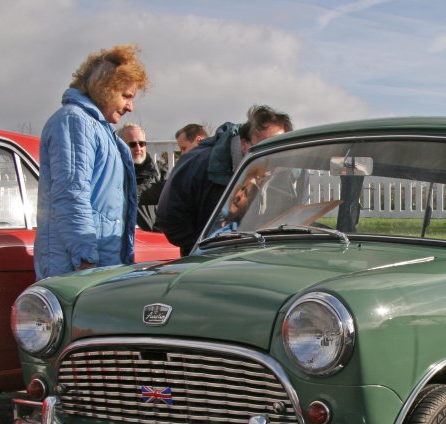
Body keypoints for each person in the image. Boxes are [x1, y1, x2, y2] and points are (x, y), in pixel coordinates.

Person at [34, 44, 149, 279]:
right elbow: (71, 195)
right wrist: (86, 262)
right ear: (105, 88)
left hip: (96, 266)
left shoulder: (98, 129)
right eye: (126, 96)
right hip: (78, 271)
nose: (130, 106)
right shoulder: (74, 122)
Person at [156, 104, 292, 255]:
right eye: (264, 148)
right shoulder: (199, 163)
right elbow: (169, 217)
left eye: (279, 150)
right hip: (209, 263)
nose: (272, 158)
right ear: (244, 143)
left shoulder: (279, 172)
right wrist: (206, 245)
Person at [117, 123, 163, 231]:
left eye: (142, 143)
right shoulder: (113, 174)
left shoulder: (160, 173)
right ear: (120, 146)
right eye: (132, 144)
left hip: (155, 239)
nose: (138, 148)